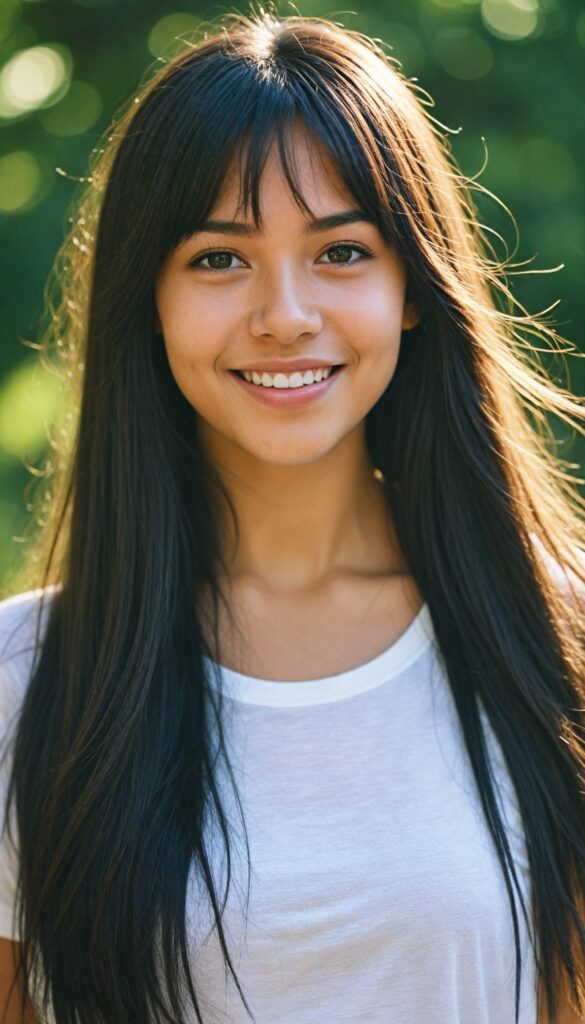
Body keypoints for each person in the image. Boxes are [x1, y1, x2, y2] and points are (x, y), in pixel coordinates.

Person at [0, 7, 584, 1023]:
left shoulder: (557, 636)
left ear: (412, 284)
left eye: (341, 252)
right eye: (219, 259)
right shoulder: (25, 684)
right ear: (150, 297)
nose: (284, 313)